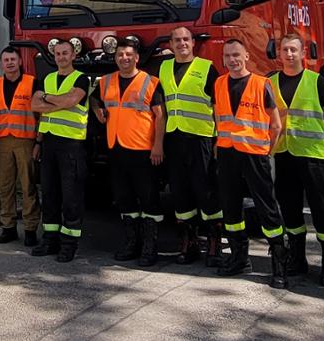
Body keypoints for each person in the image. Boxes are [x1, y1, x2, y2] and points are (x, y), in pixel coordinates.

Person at [211, 39, 289, 287]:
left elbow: (276, 125)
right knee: (231, 207)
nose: (232, 60)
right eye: (227, 56)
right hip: (227, 153)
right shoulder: (219, 83)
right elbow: (218, 118)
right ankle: (238, 257)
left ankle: (279, 264)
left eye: (236, 55)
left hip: (255, 154)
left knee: (266, 207)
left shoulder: (261, 84)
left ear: (246, 57)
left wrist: (267, 150)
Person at [271, 33, 324, 287]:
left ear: (303, 53)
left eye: (293, 50)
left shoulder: (318, 82)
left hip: (314, 156)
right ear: (278, 53)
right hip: (284, 153)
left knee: (322, 210)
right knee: (289, 209)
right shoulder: (270, 82)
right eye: (284, 50)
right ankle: (297, 259)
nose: (289, 54)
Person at [92, 43, 166, 266]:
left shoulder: (151, 82)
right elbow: (94, 98)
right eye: (120, 55)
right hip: (117, 150)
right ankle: (131, 244)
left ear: (137, 58)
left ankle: (150, 248)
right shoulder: (106, 81)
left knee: (149, 200)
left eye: (128, 55)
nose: (124, 58)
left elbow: (161, 117)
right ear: (115, 58)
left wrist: (158, 146)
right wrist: (97, 110)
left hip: (144, 151)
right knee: (124, 199)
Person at [155, 26, 223, 266]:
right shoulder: (163, 68)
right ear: (170, 45)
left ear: (193, 43)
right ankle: (189, 242)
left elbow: (218, 107)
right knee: (180, 192)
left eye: (186, 39)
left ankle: (214, 243)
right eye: (177, 40)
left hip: (201, 139)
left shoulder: (207, 68)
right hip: (174, 139)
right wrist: (158, 144)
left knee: (206, 191)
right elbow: (159, 109)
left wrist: (219, 140)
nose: (182, 43)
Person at [31, 39, 92, 262]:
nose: (61, 57)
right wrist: (58, 102)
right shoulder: (47, 78)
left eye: (65, 53)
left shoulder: (81, 79)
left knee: (71, 197)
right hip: (49, 145)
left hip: (71, 146)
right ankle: (50, 240)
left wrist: (47, 98)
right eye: (58, 53)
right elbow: (35, 106)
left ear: (73, 55)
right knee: (49, 194)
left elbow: (72, 100)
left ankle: (69, 245)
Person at [0, 47, 41, 245]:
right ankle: (8, 227)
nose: (9, 62)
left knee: (28, 187)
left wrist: (38, 143)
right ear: (2, 63)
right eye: (5, 59)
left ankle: (30, 229)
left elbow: (41, 115)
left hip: (26, 141)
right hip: (2, 142)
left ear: (20, 62)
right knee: (5, 187)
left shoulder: (32, 82)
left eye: (13, 59)